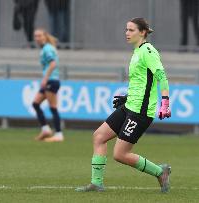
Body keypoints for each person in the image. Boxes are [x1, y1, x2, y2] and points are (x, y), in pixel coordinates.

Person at [76, 18, 171, 193]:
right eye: (126, 30)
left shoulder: (148, 50)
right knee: (99, 137)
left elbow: (161, 75)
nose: (127, 33)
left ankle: (160, 171)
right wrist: (127, 98)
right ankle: (96, 183)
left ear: (142, 32)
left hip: (140, 112)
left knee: (120, 154)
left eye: (131, 30)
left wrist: (165, 102)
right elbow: (142, 82)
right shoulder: (137, 52)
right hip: (130, 106)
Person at [32, 28, 64, 142]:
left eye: (39, 36)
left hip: (51, 81)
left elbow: (52, 64)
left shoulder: (47, 48)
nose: (37, 38)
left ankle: (59, 134)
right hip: (50, 80)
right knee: (35, 103)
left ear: (45, 36)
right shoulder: (46, 48)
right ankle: (45, 130)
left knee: (53, 107)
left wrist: (45, 78)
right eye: (35, 36)